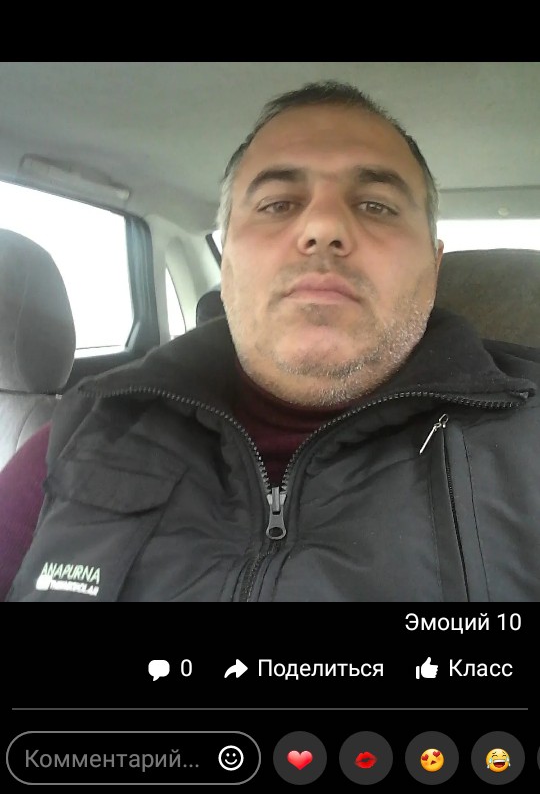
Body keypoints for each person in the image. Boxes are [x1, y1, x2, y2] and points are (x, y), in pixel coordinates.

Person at [6, 80, 540, 602]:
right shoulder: (80, 439)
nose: (323, 226)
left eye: (376, 205)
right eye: (278, 203)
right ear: (227, 264)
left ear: (433, 265)